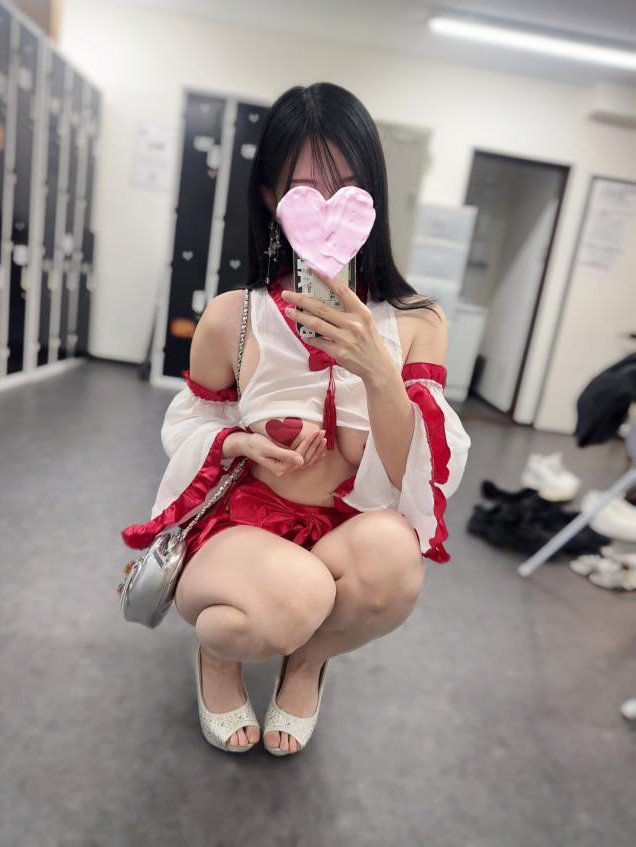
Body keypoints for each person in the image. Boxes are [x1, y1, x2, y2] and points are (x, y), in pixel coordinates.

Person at [120, 82, 471, 756]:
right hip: (244, 529)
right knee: (292, 594)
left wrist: (377, 368)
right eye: (305, 190)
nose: (329, 208)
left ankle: (307, 662)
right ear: (271, 199)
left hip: (344, 532)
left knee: (395, 559)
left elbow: (417, 476)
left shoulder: (417, 323)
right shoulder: (233, 317)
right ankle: (218, 656)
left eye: (347, 188)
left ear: (373, 197)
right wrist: (240, 441)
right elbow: (186, 428)